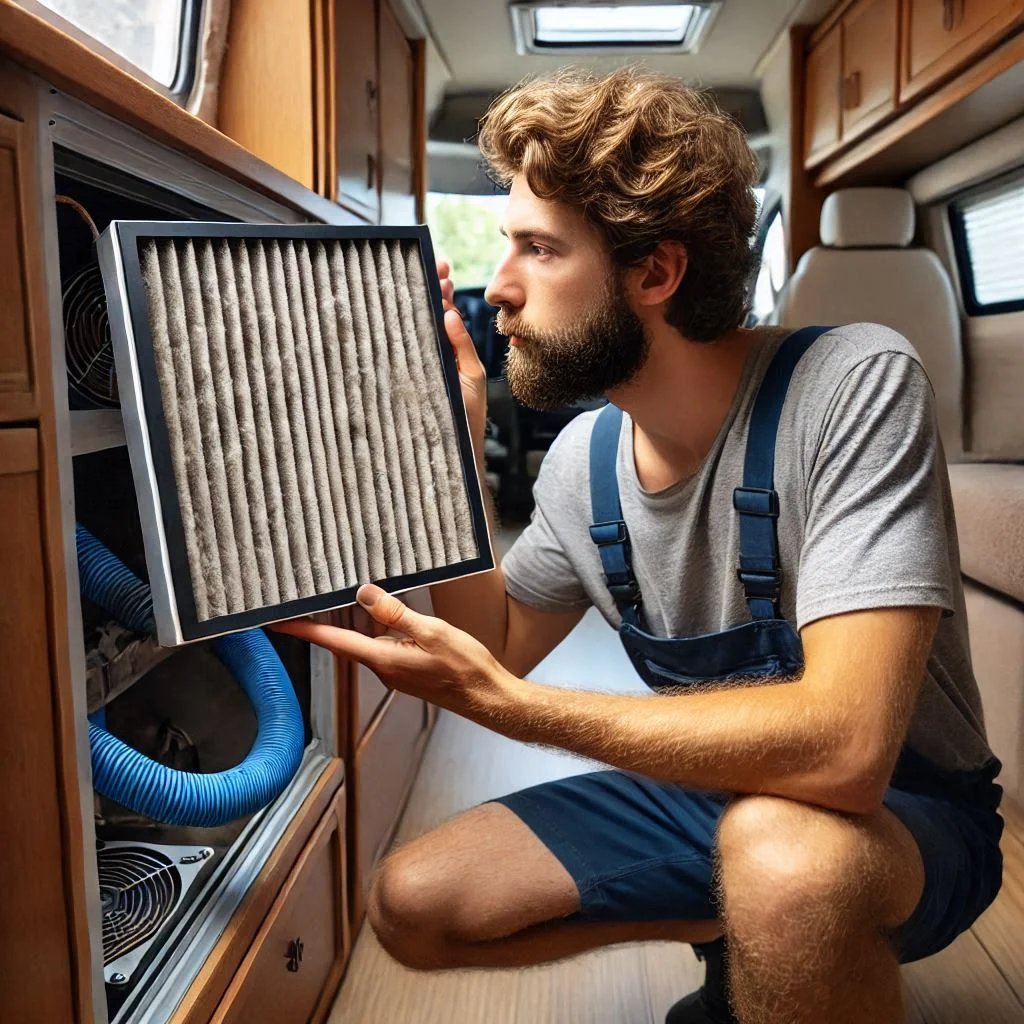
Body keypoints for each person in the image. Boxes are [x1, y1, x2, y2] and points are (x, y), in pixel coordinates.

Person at [274, 67, 1004, 1024]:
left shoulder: (853, 385)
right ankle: (747, 932)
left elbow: (845, 752)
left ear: (655, 273)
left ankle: (778, 919)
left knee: (786, 862)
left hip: (907, 823)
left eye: (539, 249)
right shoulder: (586, 459)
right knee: (416, 906)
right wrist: (446, 447)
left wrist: (521, 712)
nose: (500, 288)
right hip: (722, 793)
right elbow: (493, 642)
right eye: (509, 247)